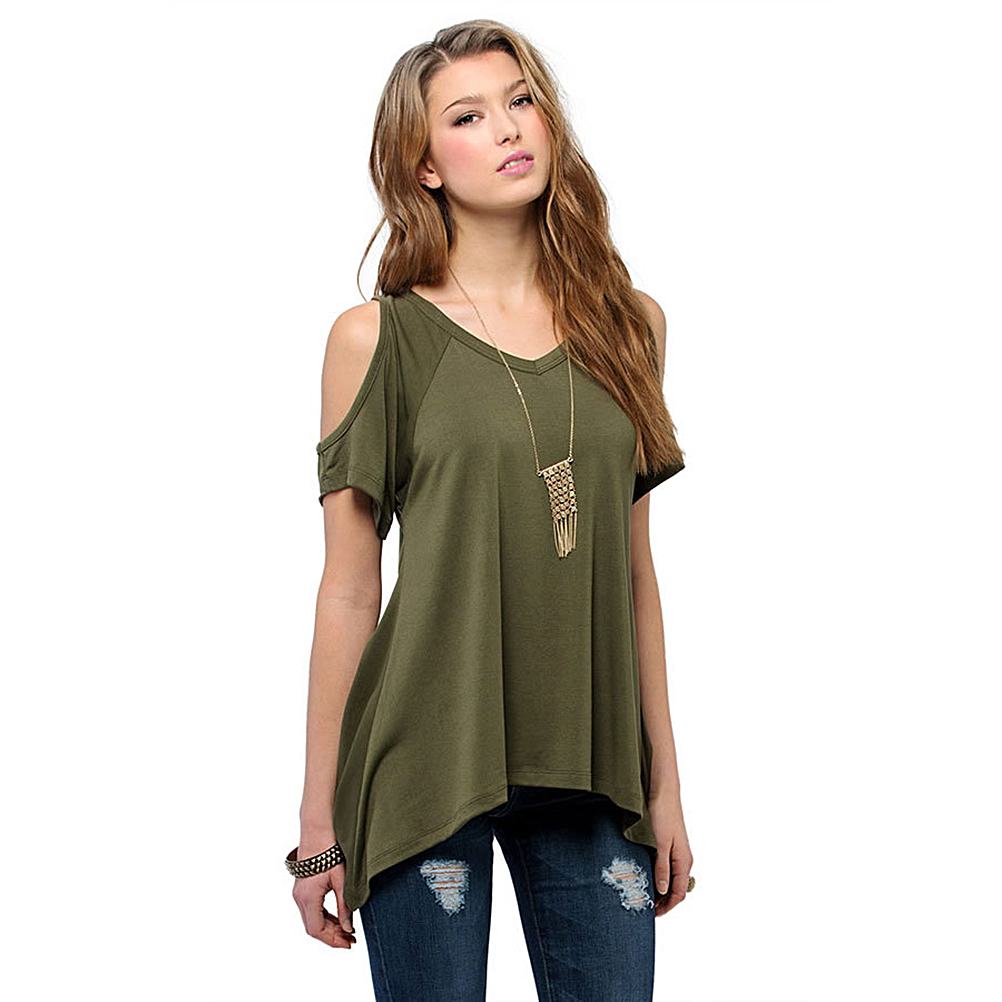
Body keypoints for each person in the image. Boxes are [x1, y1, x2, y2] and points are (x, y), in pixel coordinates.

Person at [287, 18, 694, 1001]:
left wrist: (667, 785)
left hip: (592, 766)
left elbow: (634, 574)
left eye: (521, 101)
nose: (509, 128)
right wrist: (317, 825)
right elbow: (349, 589)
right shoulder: (375, 340)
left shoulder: (630, 327)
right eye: (467, 116)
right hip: (424, 763)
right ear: (424, 165)